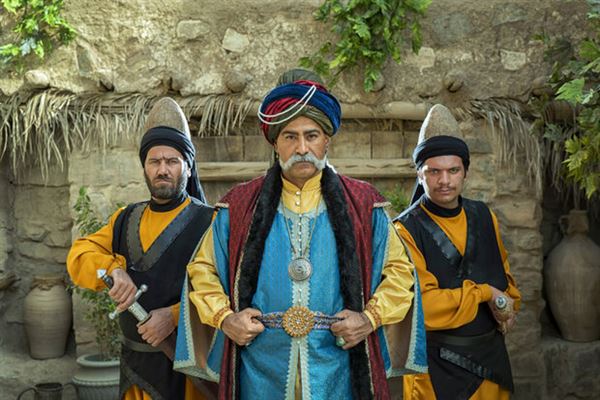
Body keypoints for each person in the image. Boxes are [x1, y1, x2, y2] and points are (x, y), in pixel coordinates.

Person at [173, 69, 427, 400]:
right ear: (275, 143)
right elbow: (202, 270)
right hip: (258, 369)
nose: (302, 147)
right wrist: (225, 319)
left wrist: (369, 319)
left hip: (338, 367)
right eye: (290, 137)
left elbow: (400, 272)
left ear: (327, 140)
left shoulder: (365, 204)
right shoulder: (238, 206)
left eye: (312, 135)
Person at [67, 98, 214, 400]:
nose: (163, 170)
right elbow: (80, 255)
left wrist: (175, 316)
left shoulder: (210, 221)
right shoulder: (124, 219)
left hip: (187, 371)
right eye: (154, 162)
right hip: (134, 367)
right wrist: (113, 270)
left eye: (172, 161)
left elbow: (227, 290)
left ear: (188, 167)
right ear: (145, 168)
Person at [394, 104, 521, 399]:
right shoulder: (405, 230)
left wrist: (508, 306)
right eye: (434, 171)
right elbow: (424, 306)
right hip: (435, 371)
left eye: (453, 170)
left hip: (491, 361)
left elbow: (503, 275)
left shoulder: (484, 215)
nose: (445, 181)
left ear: (465, 172)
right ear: (420, 174)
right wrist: (485, 293)